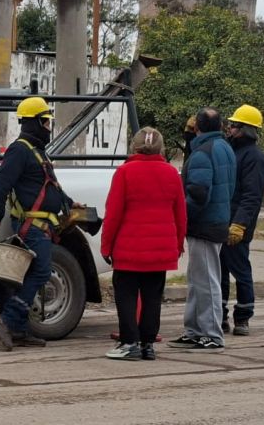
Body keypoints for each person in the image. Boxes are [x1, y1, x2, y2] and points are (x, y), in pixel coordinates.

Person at [0, 96, 84, 351]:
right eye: (45, 122)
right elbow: (1, 184)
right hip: (32, 226)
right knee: (41, 272)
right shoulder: (20, 150)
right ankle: (7, 322)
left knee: (32, 275)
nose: (48, 127)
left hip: (43, 225)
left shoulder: (37, 151)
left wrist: (70, 204)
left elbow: (50, 187)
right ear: (33, 122)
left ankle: (18, 329)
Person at [100, 127, 187, 361]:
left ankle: (129, 342)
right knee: (152, 298)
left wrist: (105, 246)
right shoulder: (171, 173)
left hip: (128, 250)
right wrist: (177, 245)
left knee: (126, 296)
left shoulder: (124, 173)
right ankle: (148, 344)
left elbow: (113, 214)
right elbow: (180, 214)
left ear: (134, 146)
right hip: (160, 251)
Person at [167, 107, 236, 351]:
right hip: (217, 221)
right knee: (198, 280)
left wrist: (180, 217)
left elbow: (198, 194)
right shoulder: (225, 148)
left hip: (203, 225)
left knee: (206, 281)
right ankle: (194, 330)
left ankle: (211, 334)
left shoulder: (201, 154)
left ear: (197, 128)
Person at [221, 104, 264, 336]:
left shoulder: (255, 158)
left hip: (238, 225)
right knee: (219, 271)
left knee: (240, 270)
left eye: (234, 125)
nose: (229, 128)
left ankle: (243, 317)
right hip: (221, 221)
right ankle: (219, 315)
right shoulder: (231, 151)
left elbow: (252, 196)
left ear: (246, 129)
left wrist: (239, 224)